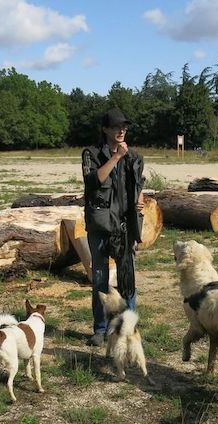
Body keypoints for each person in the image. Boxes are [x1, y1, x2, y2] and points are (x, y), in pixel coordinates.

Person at [81, 107, 145, 347]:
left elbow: (139, 182)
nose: (122, 130)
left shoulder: (135, 156)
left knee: (127, 278)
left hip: (126, 225)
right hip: (100, 225)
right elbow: (93, 181)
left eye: (124, 127)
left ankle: (128, 327)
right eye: (117, 126)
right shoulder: (91, 153)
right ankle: (100, 328)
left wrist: (140, 197)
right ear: (105, 129)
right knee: (99, 278)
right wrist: (116, 157)